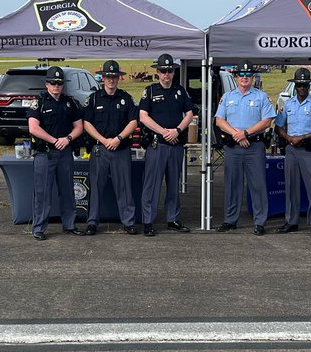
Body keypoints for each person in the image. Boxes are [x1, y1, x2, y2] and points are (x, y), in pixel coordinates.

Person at [214, 59, 277, 235]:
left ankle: (260, 222)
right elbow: (219, 120)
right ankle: (230, 220)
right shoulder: (227, 97)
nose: (244, 77)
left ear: (253, 76)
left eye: (248, 74)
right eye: (241, 74)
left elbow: (266, 121)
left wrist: (246, 133)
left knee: (257, 185)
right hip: (233, 147)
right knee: (232, 184)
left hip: (254, 146)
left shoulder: (261, 96)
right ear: (236, 77)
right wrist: (237, 134)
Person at [81, 60, 139, 237]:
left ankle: (128, 222)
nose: (111, 80)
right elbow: (87, 123)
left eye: (114, 76)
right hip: (100, 149)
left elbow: (133, 121)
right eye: (108, 76)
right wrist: (103, 140)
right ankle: (92, 222)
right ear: (102, 78)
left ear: (118, 78)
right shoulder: (94, 98)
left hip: (120, 149)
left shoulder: (126, 98)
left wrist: (119, 138)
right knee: (96, 188)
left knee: (124, 188)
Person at [138, 53, 195, 236]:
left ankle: (173, 219)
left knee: (173, 185)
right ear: (157, 72)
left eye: (170, 71)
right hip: (158, 144)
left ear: (173, 72)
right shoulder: (150, 91)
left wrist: (177, 131)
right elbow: (143, 116)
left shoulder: (180, 91)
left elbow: (189, 114)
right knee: (152, 185)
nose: (166, 75)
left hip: (176, 144)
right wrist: (164, 132)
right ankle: (148, 221)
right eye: (163, 71)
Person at [27, 66, 85, 241]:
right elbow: (33, 128)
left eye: (59, 83)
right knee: (43, 192)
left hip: (65, 152)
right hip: (46, 154)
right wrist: (54, 140)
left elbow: (79, 126)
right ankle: (39, 228)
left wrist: (67, 139)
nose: (56, 86)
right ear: (47, 84)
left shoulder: (70, 103)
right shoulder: (40, 103)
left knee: (68, 190)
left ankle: (69, 224)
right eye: (53, 83)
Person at [274, 68, 311, 238]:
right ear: (295, 85)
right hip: (292, 150)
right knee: (291, 187)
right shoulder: (288, 104)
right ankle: (291, 222)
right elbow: (278, 127)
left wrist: (303, 137)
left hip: (308, 150)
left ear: (309, 85)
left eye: (305, 85)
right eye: (299, 85)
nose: (302, 88)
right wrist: (289, 137)